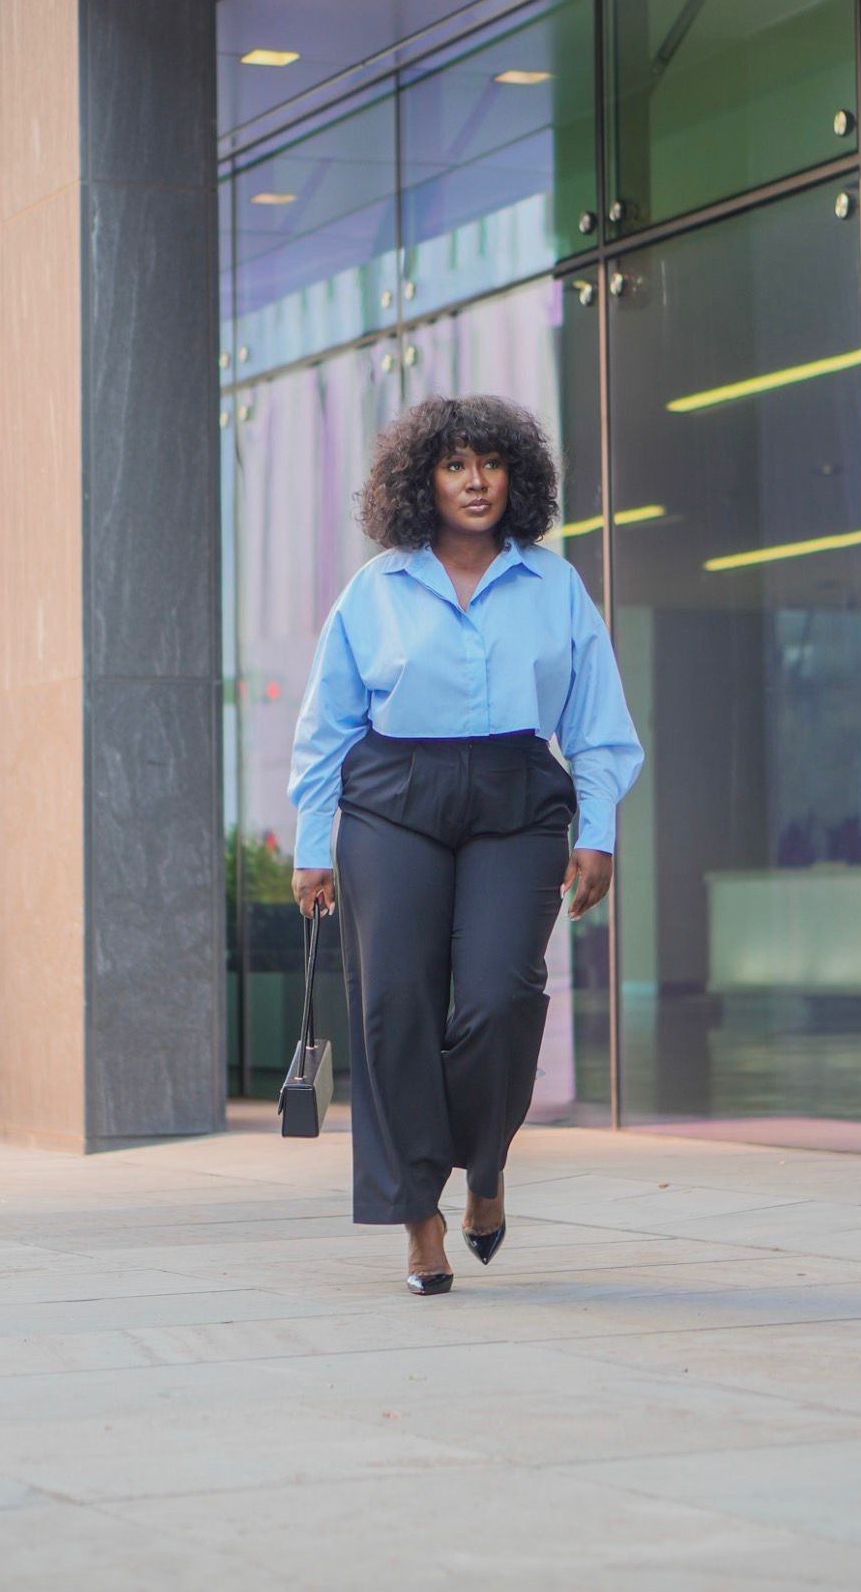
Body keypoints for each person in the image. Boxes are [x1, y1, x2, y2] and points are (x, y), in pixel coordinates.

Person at [287, 394, 643, 1295]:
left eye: (491, 463)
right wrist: (311, 840)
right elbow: (326, 724)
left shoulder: (554, 584)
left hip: (516, 799)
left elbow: (597, 724)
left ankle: (484, 1171)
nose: (476, 481)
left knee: (499, 997)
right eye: (455, 466)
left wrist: (596, 829)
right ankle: (418, 1216)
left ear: (516, 476)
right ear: (422, 482)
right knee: (395, 1004)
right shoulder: (377, 589)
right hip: (391, 803)